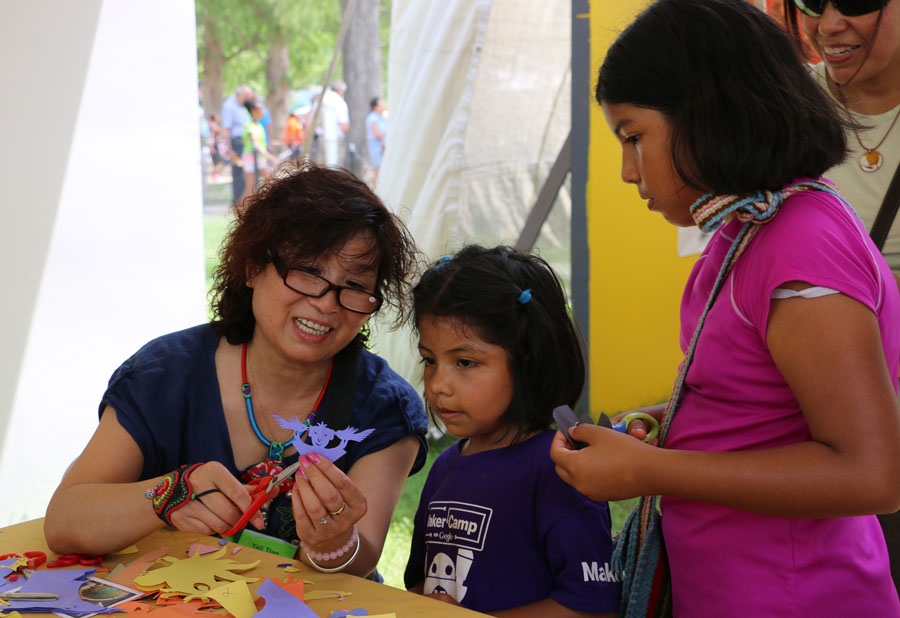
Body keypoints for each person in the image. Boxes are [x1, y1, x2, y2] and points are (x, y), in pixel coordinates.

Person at [549, 0, 900, 615]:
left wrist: (654, 473)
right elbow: (762, 401)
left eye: (634, 138)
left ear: (708, 116)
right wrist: (669, 419)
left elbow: (871, 473)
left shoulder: (801, 245)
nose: (628, 172)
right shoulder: (751, 228)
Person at [44, 162, 429, 580]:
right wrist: (167, 495)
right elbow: (64, 521)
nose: (327, 302)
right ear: (252, 268)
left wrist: (333, 545)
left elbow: (362, 561)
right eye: (307, 271)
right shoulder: (164, 376)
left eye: (354, 285)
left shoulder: (384, 407)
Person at [404, 246, 620, 617]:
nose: (438, 384)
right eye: (429, 360)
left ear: (527, 362)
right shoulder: (443, 469)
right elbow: (420, 583)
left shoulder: (561, 471)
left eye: (465, 362)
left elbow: (592, 607)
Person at [782, 0, 900, 590]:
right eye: (810, 2)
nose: (828, 26)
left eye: (854, 1)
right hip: (799, 425)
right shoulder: (778, 104)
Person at [221, 85, 254, 207]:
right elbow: (226, 129)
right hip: (236, 143)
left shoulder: (243, 107)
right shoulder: (229, 106)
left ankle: (245, 202)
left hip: (246, 143)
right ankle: (237, 203)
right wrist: (229, 149)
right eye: (247, 96)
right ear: (241, 95)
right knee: (239, 173)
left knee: (247, 175)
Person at [240, 100, 278, 204]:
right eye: (260, 109)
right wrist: (270, 156)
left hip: (260, 158)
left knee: (271, 181)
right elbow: (255, 144)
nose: (263, 112)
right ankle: (239, 209)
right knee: (250, 187)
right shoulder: (249, 126)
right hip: (250, 158)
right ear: (253, 111)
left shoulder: (260, 126)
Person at [366, 97, 387, 186]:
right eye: (381, 105)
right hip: (377, 147)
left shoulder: (382, 117)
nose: (383, 106)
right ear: (375, 107)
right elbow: (376, 134)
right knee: (378, 170)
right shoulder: (372, 118)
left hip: (383, 147)